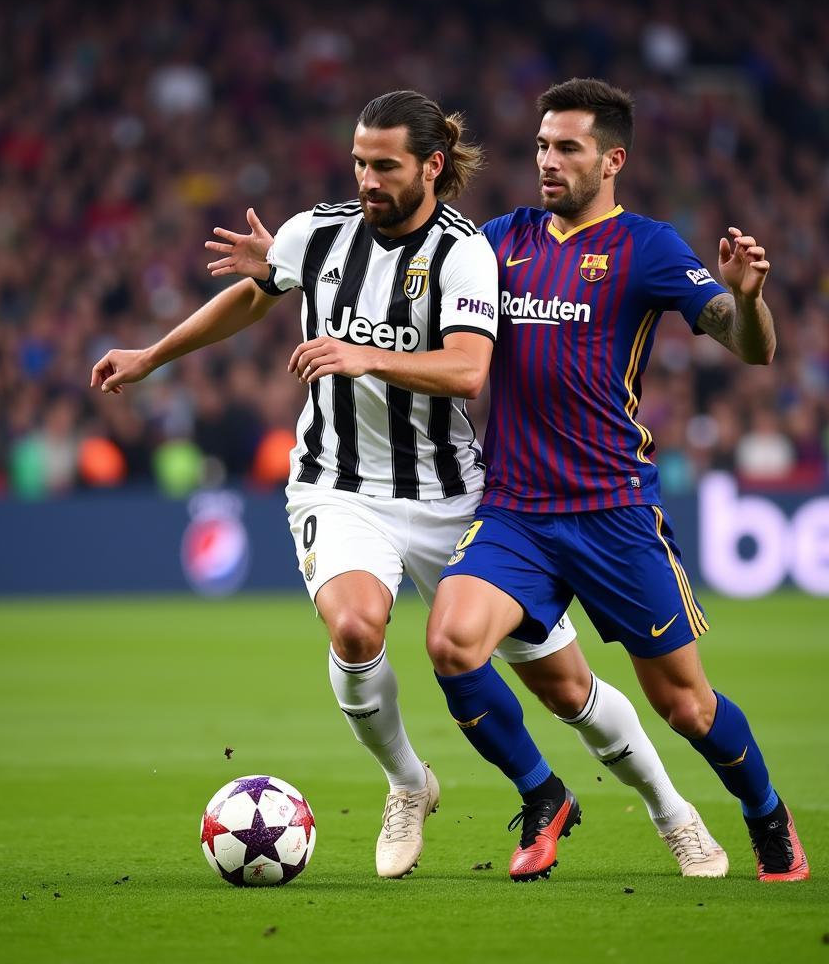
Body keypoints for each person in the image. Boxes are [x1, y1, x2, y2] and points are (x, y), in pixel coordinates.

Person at [92, 90, 726, 882]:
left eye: (384, 165)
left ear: (431, 166)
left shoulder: (466, 253)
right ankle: (407, 782)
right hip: (337, 484)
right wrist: (152, 356)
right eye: (358, 161)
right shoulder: (315, 232)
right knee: (356, 631)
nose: (366, 178)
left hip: (455, 495)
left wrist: (362, 355)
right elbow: (256, 296)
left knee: (565, 688)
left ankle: (672, 811)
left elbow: (467, 372)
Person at [424, 77, 808, 883]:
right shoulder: (501, 239)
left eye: (567, 147)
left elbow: (751, 347)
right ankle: (543, 794)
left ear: (613, 159)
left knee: (687, 708)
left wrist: (747, 299)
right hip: (517, 512)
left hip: (613, 513)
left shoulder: (650, 247)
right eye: (540, 146)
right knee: (453, 644)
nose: (548, 161)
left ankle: (766, 813)